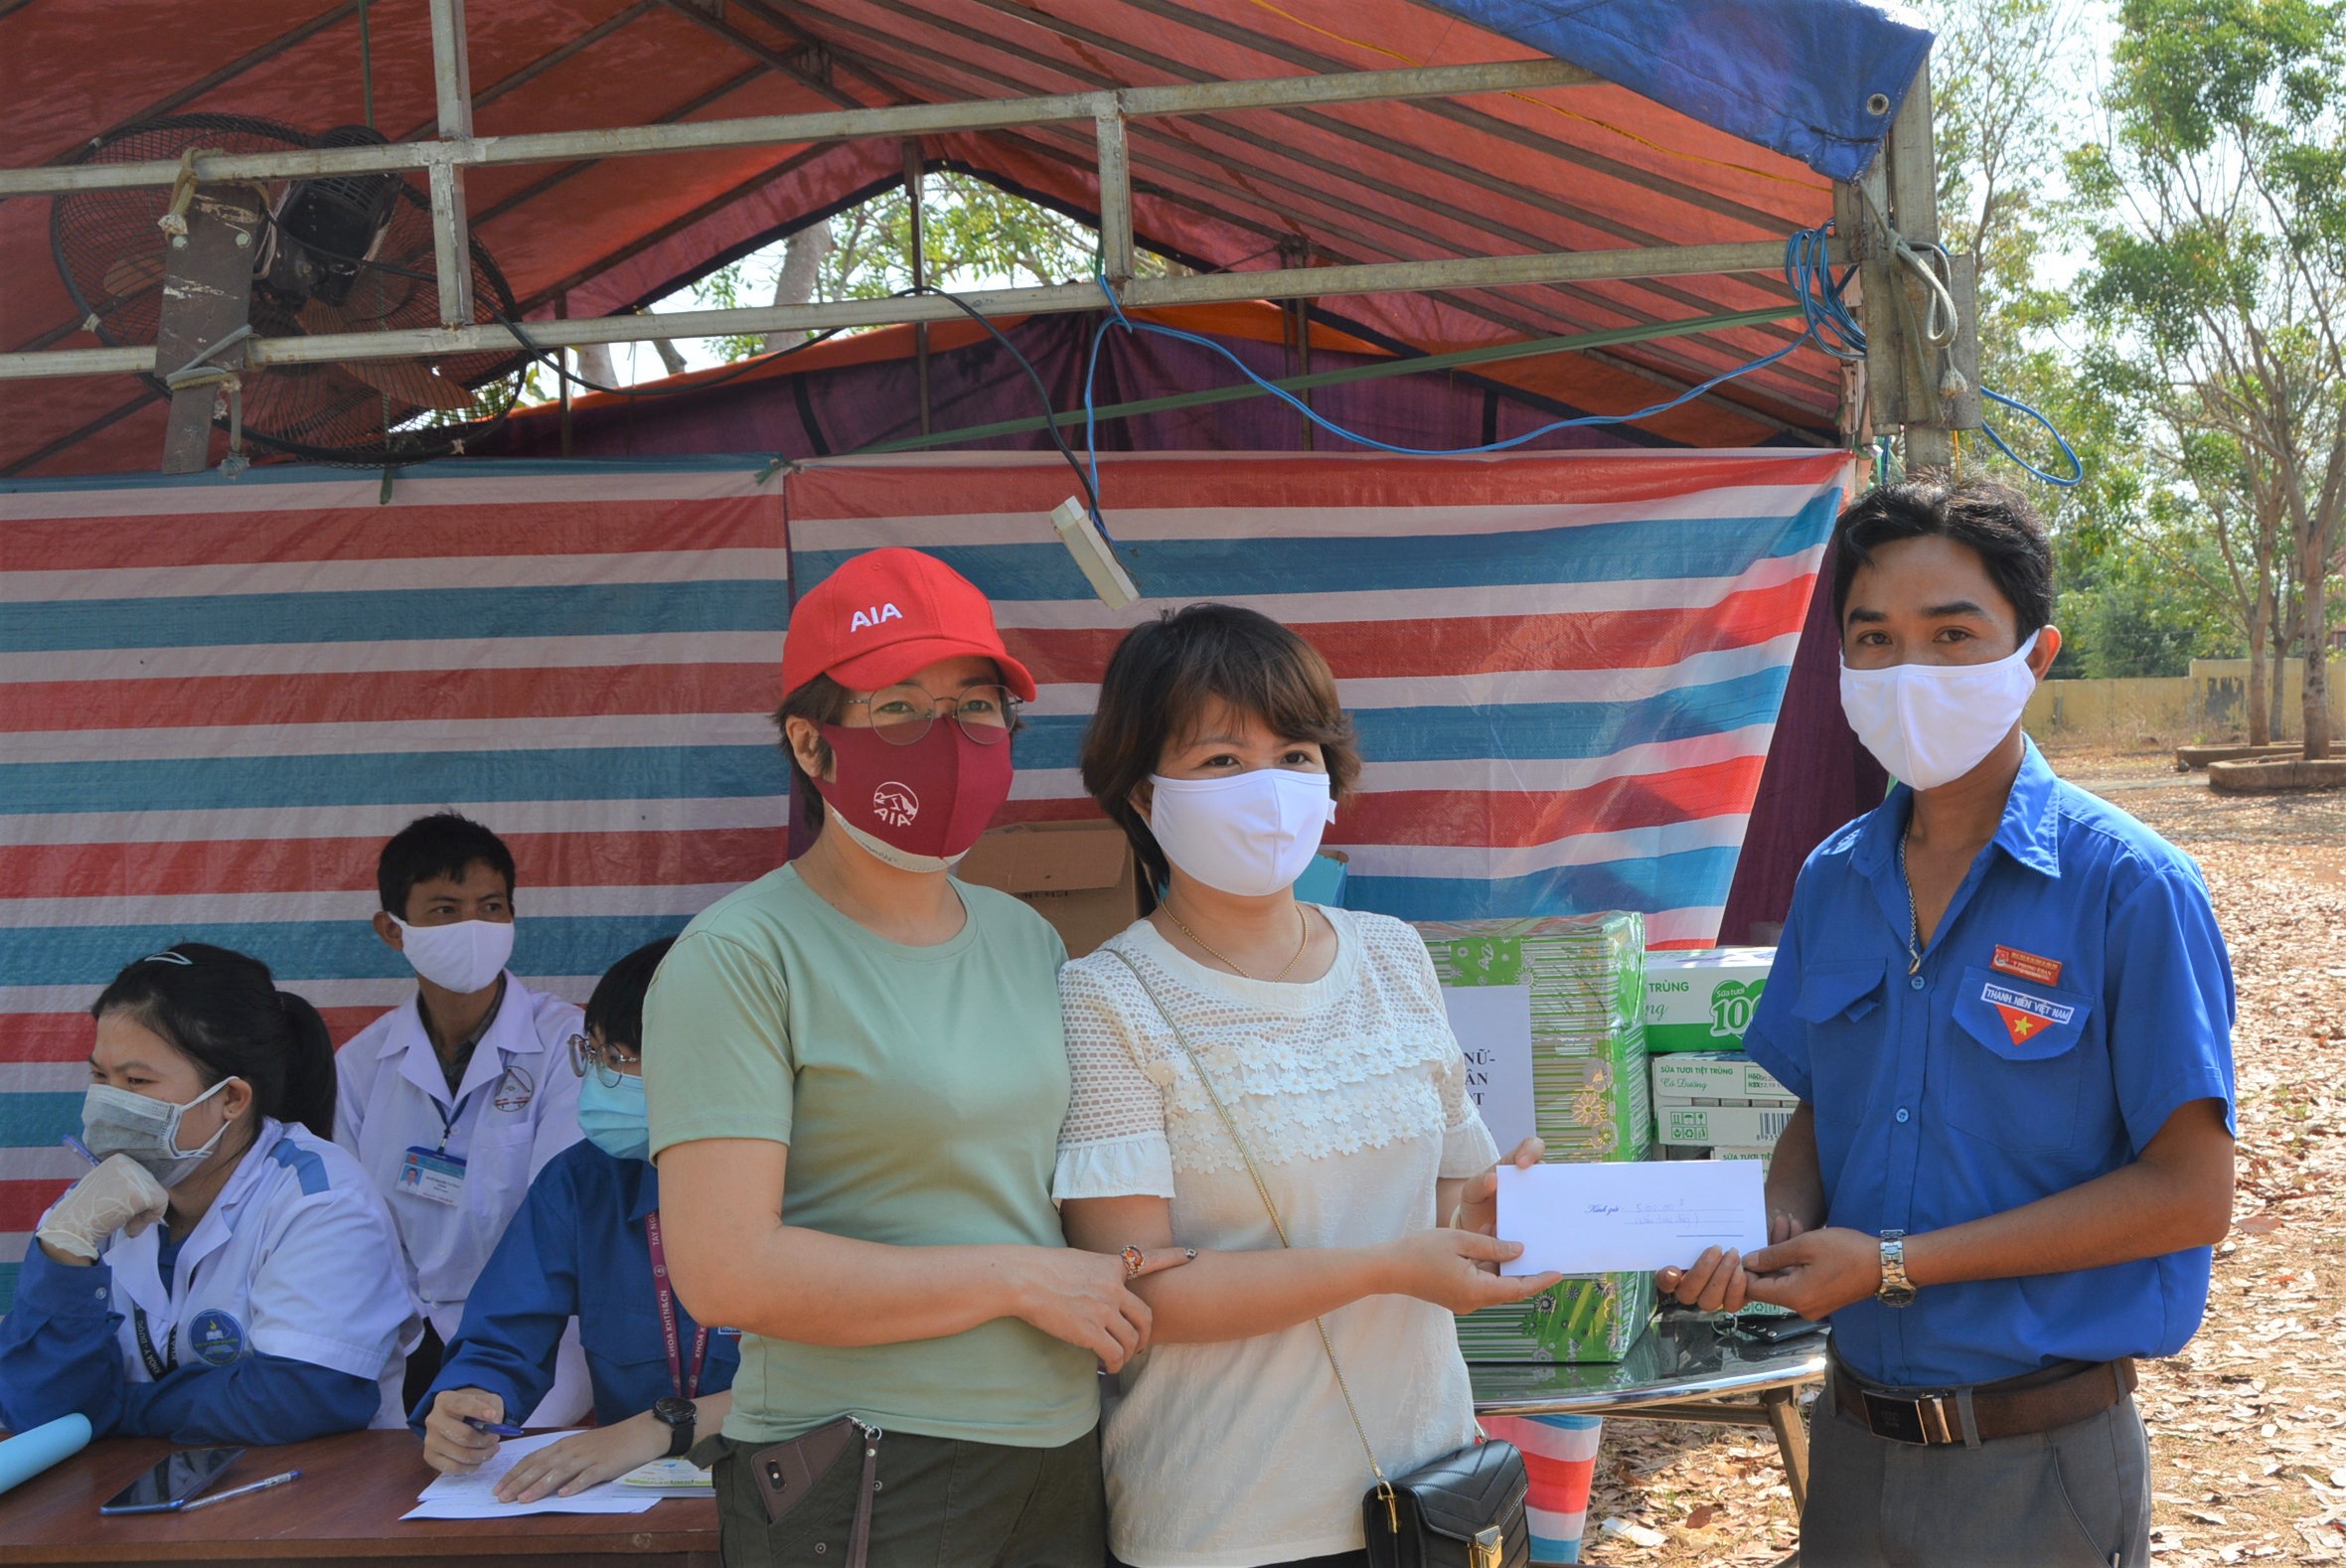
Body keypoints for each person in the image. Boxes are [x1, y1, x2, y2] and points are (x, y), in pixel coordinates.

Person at [1659, 478, 2236, 1568]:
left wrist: (1888, 1264)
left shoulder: (2130, 889)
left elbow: (2191, 1193)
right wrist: (1781, 1221)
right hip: (1855, 1447)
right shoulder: (1835, 878)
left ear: (2037, 652)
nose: (1908, 670)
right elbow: (1825, 1109)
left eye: (1953, 634)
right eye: (1873, 637)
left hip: (2040, 1463)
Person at [644, 547, 1188, 1568]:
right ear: (811, 744)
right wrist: (1021, 1280)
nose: (946, 737)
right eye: (900, 707)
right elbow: (724, 1270)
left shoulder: (1024, 938)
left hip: (1060, 1447)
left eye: (975, 707)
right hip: (861, 1459)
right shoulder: (740, 956)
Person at [1053, 602, 1557, 1568]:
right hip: (1227, 1518)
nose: (1270, 788)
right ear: (1143, 797)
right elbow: (1140, 1297)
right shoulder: (1105, 996)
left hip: (1435, 1493)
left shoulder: (1393, 955)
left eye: (1295, 754)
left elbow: (1445, 1202)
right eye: (1220, 761)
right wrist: (1385, 1266)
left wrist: (1489, 1210)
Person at [0, 944, 419, 1443]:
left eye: (136, 1080)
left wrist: (115, 1412)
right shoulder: (94, 1203)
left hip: (310, 1505)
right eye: (99, 1076)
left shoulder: (322, 1199)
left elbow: (300, 1396)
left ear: (231, 1098)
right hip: (120, 1505)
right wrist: (64, 1247)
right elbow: (37, 1408)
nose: (109, 1102)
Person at [415, 937, 741, 1503]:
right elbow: (503, 1334)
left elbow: (830, 1380)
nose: (598, 1081)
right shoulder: (583, 1181)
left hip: (793, 1498)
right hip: (631, 1502)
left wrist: (658, 1428)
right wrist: (471, 1399)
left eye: (618, 1059)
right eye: (592, 1055)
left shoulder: (822, 1187)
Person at [334, 811, 586, 1416]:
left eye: (492, 907)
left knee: (492, 1469)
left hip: (535, 1332)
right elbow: (348, 1221)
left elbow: (557, 1218)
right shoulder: (362, 1063)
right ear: (393, 930)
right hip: (396, 1327)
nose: (475, 927)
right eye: (446, 910)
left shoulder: (567, 1044)